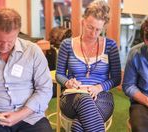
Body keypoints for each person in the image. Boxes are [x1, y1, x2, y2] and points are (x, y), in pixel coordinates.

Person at [56, 0, 121, 131]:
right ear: (83, 21)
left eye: (98, 30)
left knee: (78, 126)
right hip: (72, 96)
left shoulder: (110, 46)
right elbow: (59, 75)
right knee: (84, 99)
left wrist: (99, 87)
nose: (93, 33)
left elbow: (116, 78)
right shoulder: (67, 45)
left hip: (101, 97)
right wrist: (68, 82)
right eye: (90, 27)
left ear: (103, 28)